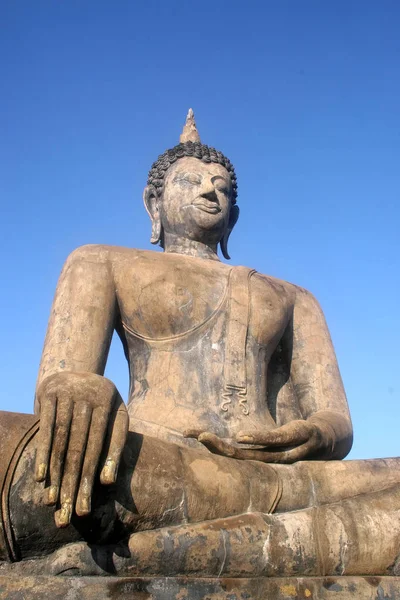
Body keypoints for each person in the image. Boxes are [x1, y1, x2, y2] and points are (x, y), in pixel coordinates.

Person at [1, 111, 399, 577]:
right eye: (190, 181)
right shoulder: (100, 261)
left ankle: (167, 548)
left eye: (222, 187)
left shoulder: (293, 297)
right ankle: (269, 531)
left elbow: (336, 420)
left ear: (234, 215)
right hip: (156, 458)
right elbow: (59, 386)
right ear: (154, 203)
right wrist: (78, 386)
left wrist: (312, 433)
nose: (211, 191)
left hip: (283, 474)